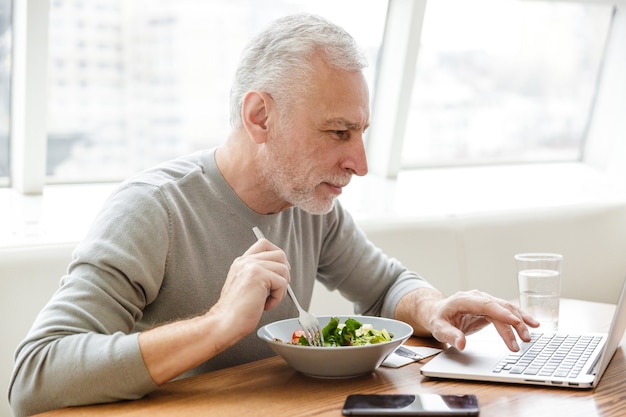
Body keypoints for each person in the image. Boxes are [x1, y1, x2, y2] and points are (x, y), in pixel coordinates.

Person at [9, 13, 538, 417]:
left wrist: (435, 307)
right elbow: (34, 376)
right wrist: (218, 324)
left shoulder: (310, 203)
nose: (360, 162)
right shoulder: (152, 211)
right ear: (260, 116)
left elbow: (386, 285)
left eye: (360, 132)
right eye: (337, 132)